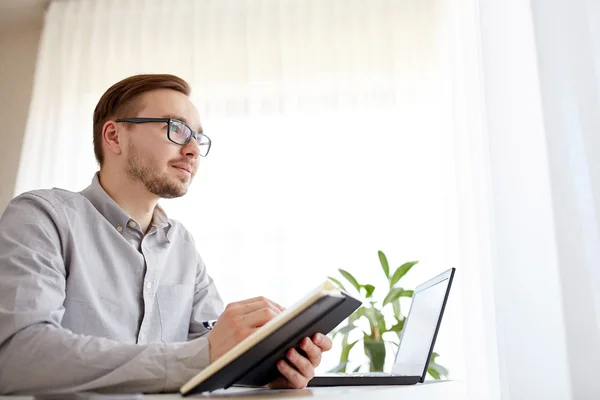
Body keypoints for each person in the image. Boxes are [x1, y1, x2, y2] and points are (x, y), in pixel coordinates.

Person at [0, 74, 332, 395]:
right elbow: (18, 357)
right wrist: (203, 356)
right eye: (176, 129)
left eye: (198, 138)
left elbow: (214, 353)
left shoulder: (182, 245)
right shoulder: (41, 218)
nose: (193, 150)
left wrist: (264, 369)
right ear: (114, 136)